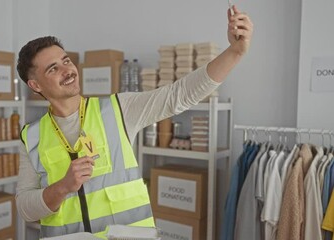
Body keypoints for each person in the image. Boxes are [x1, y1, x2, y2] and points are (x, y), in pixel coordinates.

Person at [16, 5, 253, 238]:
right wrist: (63, 187)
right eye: (53, 69)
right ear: (35, 85)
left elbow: (179, 95)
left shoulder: (118, 109)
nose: (67, 70)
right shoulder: (32, 136)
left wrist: (235, 52)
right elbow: (26, 208)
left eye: (66, 61)